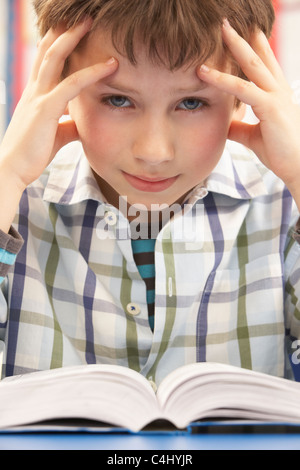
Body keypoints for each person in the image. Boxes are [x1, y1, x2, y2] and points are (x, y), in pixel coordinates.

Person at [0, 0, 299, 386]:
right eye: (118, 100)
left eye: (192, 102)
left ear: (245, 95)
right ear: (57, 84)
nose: (154, 152)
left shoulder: (282, 203)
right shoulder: (16, 201)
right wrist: (7, 175)